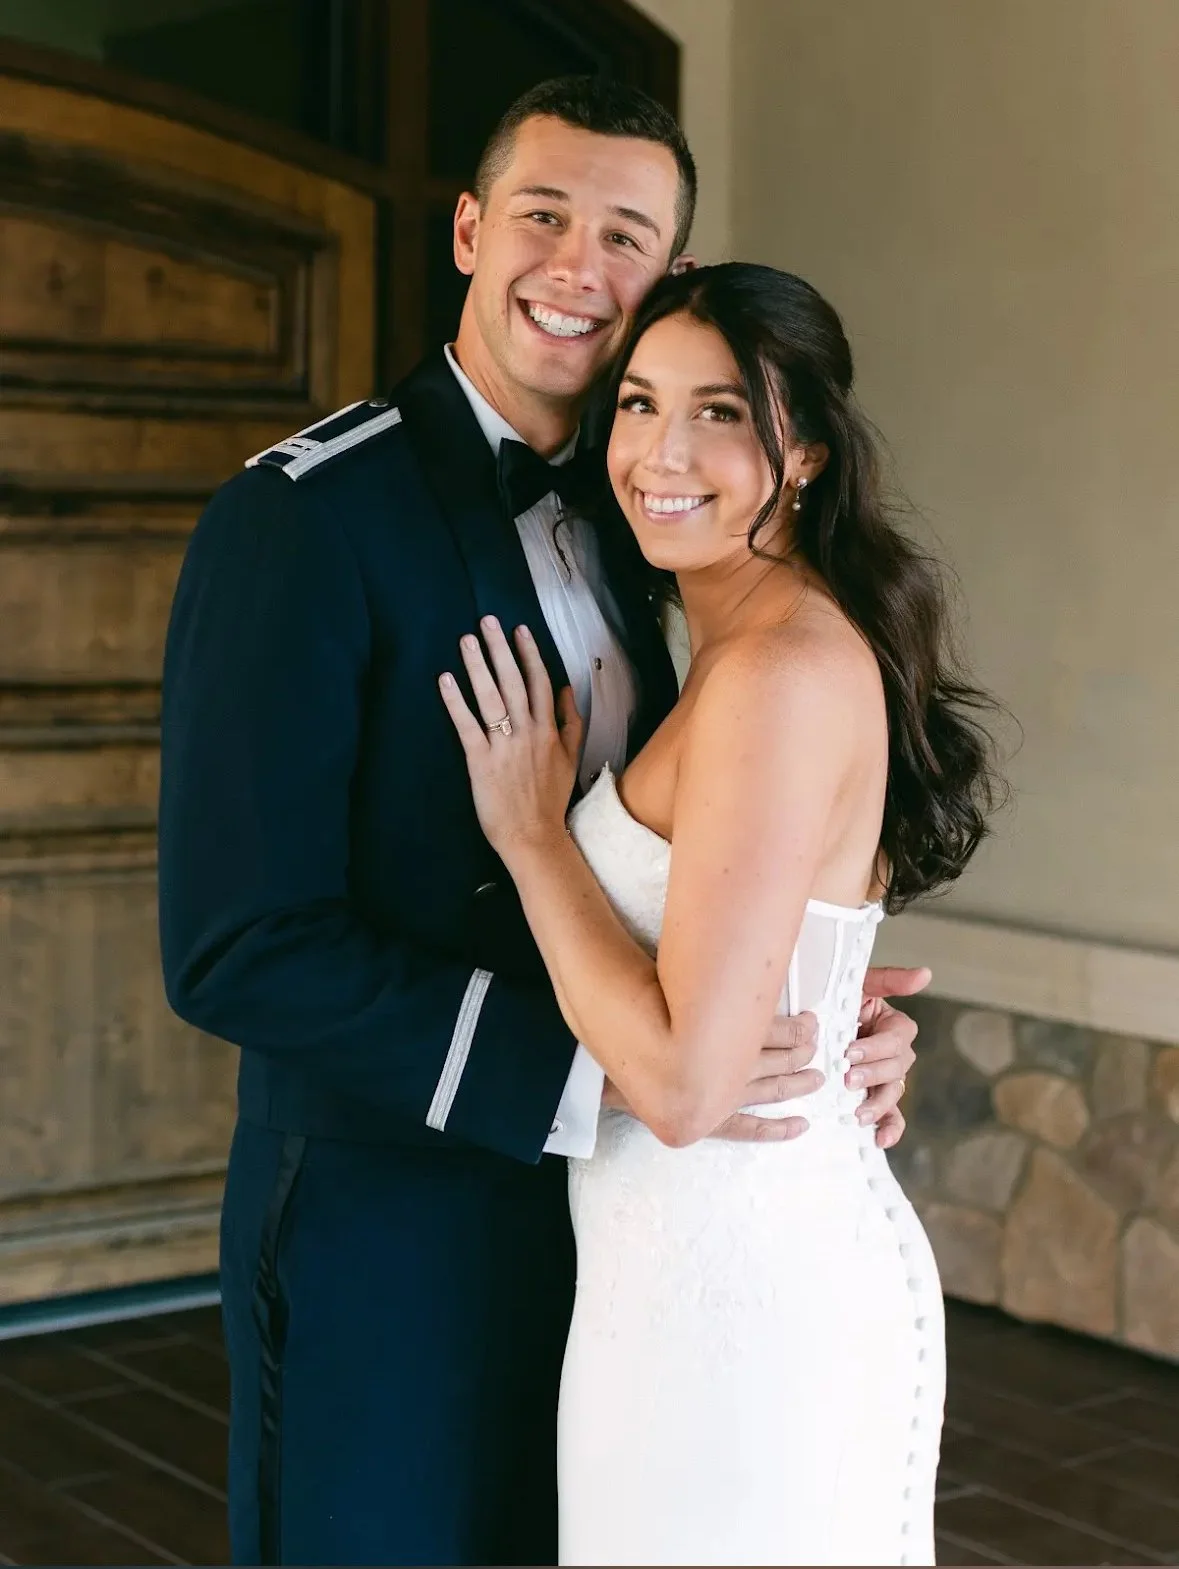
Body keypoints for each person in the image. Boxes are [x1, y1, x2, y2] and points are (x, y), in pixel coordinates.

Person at [158, 80, 926, 1567]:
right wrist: (606, 1080)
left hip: (630, 1233)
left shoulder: (663, 506)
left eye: (624, 235)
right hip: (393, 1221)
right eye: (542, 215)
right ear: (466, 231)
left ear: (664, 276)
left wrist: (813, 1016)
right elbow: (237, 944)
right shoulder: (306, 520)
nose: (578, 264)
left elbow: (715, 839)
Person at [438, 261, 1002, 1566]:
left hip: (749, 1298)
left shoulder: (779, 670)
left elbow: (687, 1090)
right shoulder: (726, 653)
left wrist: (532, 837)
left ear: (801, 451)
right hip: (669, 1286)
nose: (659, 450)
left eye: (719, 414)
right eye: (636, 405)